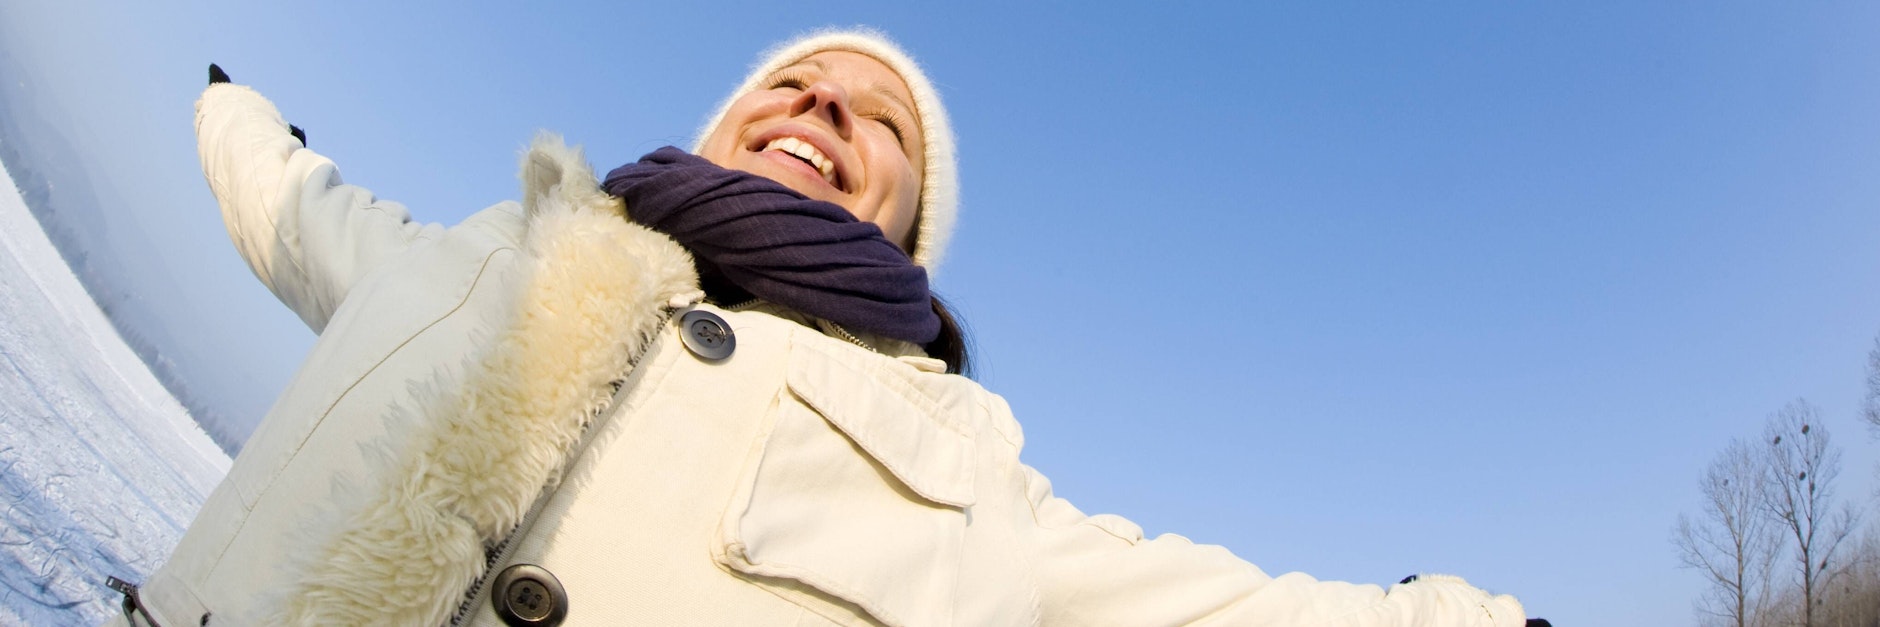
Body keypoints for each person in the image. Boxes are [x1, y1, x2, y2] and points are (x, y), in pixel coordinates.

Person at [118, 29, 1539, 626]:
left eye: (874, 122)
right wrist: (232, 110)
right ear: (728, 121)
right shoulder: (493, 249)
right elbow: (296, 208)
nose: (821, 111)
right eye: (794, 85)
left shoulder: (964, 472)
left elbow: (1210, 608)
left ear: (906, 229)